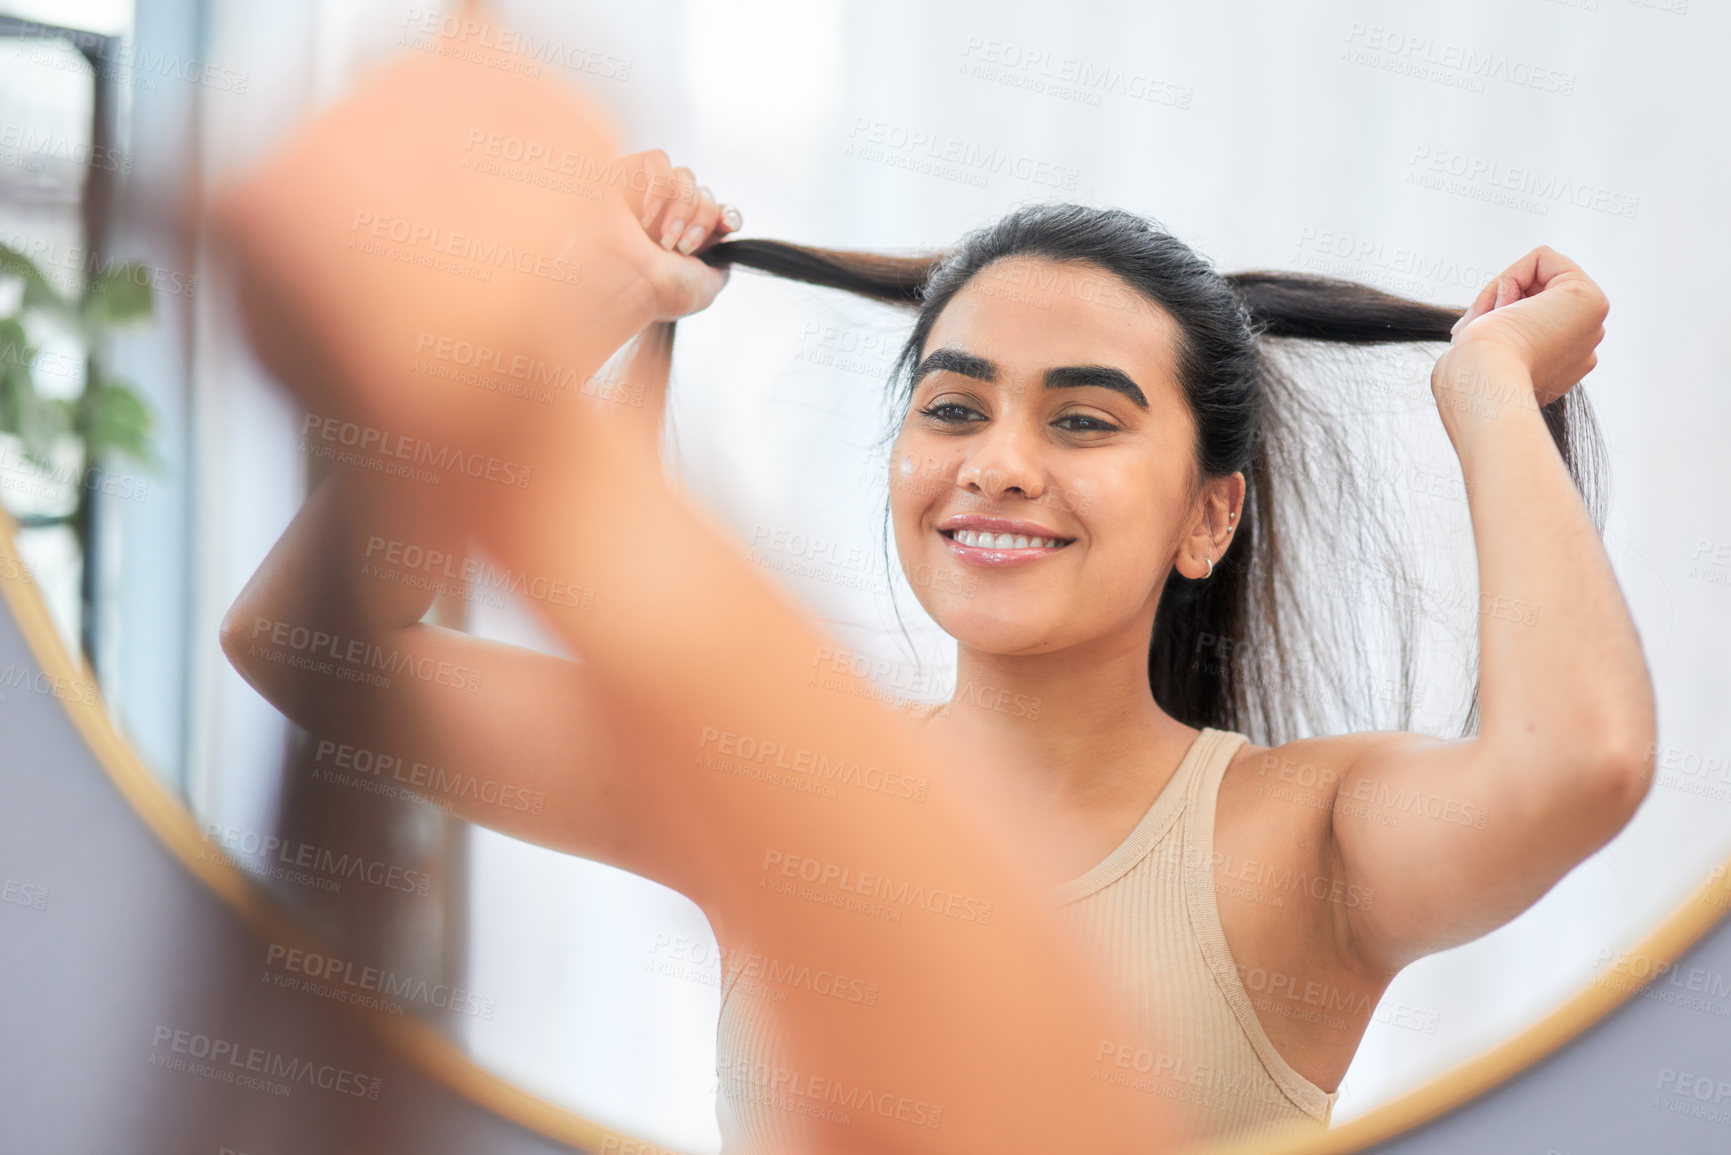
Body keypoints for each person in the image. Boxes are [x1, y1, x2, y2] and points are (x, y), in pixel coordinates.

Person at [212, 35, 1655, 1155]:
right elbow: (300, 644)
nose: (1001, 468)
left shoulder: (1311, 841)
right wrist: (572, 310)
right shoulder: (769, 787)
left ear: (1209, 515)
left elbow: (1578, 763)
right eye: (955, 412)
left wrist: (1487, 396)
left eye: (1084, 422)